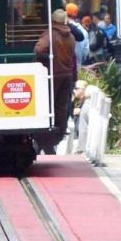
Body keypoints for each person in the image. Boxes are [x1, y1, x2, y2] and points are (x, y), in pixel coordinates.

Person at [35, 9, 76, 147]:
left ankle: (45, 138)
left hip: (53, 74)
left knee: (47, 105)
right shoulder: (71, 36)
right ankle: (59, 134)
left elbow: (39, 49)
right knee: (61, 106)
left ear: (52, 20)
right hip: (67, 75)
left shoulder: (50, 34)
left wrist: (44, 58)